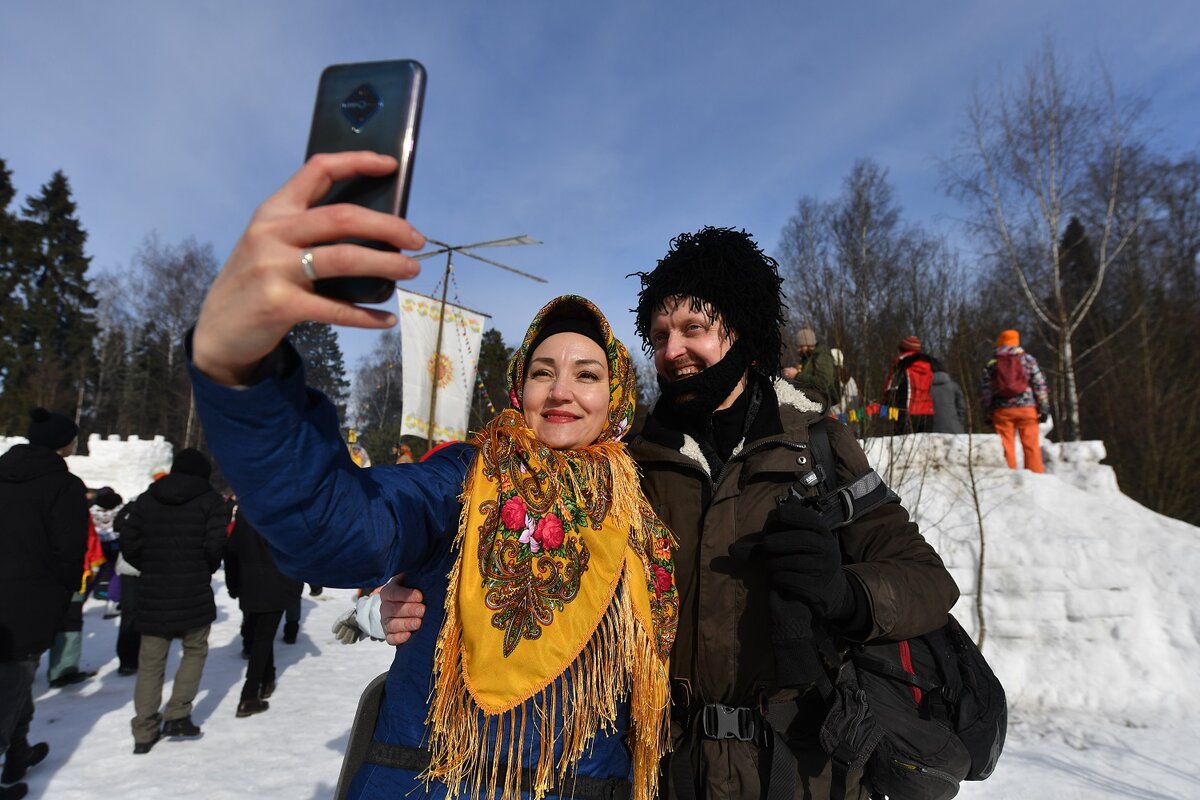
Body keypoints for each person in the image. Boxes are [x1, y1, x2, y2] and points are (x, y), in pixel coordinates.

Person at [385, 228, 960, 799]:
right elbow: (522, 542)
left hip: (804, 764)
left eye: (693, 329)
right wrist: (422, 594)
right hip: (667, 766)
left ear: (741, 330)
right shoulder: (626, 458)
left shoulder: (820, 445)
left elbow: (927, 579)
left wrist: (845, 594)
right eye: (659, 335)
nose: (672, 350)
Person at [187, 152, 675, 800]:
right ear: (517, 389)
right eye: (541, 371)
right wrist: (238, 373)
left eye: (587, 374)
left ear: (616, 395)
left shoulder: (641, 510)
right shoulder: (465, 478)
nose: (562, 390)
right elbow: (342, 528)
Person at [0, 408, 88, 796]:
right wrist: (62, 597)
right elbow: (69, 552)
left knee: (16, 684)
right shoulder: (63, 486)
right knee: (12, 682)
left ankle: (18, 754)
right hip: (28, 602)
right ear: (63, 443)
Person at [120, 447, 230, 754]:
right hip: (193, 590)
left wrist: (149, 565)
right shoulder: (210, 501)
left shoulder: (147, 497)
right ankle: (178, 714)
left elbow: (128, 540)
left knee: (150, 661)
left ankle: (144, 729)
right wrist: (201, 567)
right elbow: (215, 545)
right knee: (194, 650)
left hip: (154, 591)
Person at [224, 510, 303, 717]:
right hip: (276, 584)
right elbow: (299, 552)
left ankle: (268, 679)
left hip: (250, 583)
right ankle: (248, 696)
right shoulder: (289, 512)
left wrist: (233, 584)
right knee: (262, 639)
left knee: (261, 635)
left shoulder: (247, 509)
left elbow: (231, 549)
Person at [980, 329, 1050, 473]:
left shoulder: (993, 362)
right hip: (1027, 408)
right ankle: (1036, 476)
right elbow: (1039, 384)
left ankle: (1009, 476)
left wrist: (987, 411)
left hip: (1002, 409)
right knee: (1031, 445)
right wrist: (1043, 408)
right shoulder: (1028, 359)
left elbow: (986, 390)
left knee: (1006, 445)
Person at [881, 335, 938, 433]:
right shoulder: (930, 364)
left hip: (905, 411)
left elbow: (890, 386)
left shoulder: (900, 361)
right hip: (927, 413)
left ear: (903, 348)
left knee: (903, 443)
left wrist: (886, 404)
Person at [782, 327, 839, 408]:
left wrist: (797, 375)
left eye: (801, 346)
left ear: (808, 344)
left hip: (826, 403)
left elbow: (823, 383)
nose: (798, 350)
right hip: (815, 400)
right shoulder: (807, 358)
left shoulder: (822, 357)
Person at [930, 368, 967, 434]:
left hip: (933, 429)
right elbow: (961, 406)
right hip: (955, 428)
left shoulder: (928, 389)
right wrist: (960, 422)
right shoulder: (954, 386)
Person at [828, 347, 860, 418]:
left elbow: (853, 404)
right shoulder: (832, 378)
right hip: (837, 419)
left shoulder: (845, 379)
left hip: (841, 419)